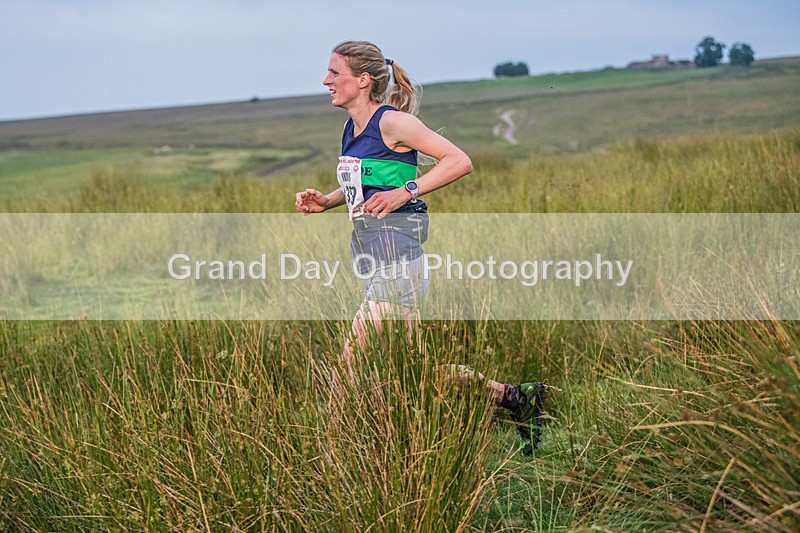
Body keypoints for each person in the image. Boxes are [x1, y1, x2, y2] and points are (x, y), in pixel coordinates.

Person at [295, 40, 547, 453]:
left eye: (334, 73)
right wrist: (327, 200)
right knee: (415, 372)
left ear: (362, 80)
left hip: (399, 261)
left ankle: (340, 457)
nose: (326, 81)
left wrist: (405, 191)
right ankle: (518, 398)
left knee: (349, 372)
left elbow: (459, 161)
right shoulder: (351, 128)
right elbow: (367, 182)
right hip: (373, 260)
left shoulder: (391, 122)